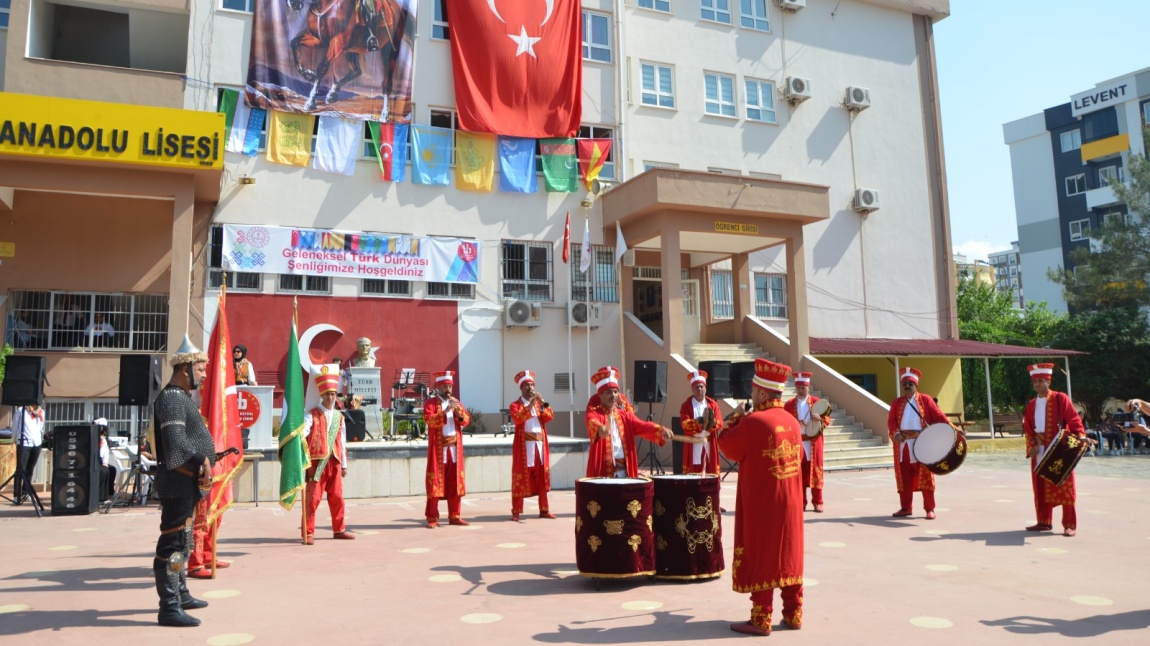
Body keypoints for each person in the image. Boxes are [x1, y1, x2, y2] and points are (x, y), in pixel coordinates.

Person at [718, 358, 804, 636]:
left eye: (754, 391)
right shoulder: (791, 421)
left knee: (763, 553)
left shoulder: (754, 421)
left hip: (765, 502)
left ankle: (761, 618)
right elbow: (800, 457)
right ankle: (793, 613)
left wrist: (736, 417)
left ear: (763, 393)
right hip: (790, 501)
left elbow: (725, 443)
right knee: (789, 552)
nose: (752, 395)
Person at [151, 335, 215, 627]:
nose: (203, 375)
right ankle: (169, 606)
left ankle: (181, 592)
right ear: (186, 369)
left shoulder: (181, 398)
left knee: (184, 542)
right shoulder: (172, 398)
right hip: (177, 484)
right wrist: (202, 458)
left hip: (186, 484)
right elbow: (175, 442)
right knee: (172, 544)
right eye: (200, 370)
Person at [1023, 363, 1088, 537]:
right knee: (1040, 486)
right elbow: (1029, 429)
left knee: (1065, 486)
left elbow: (1074, 420)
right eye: (1035, 382)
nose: (1037, 385)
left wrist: (1080, 435)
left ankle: (1069, 524)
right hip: (1040, 449)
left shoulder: (1060, 398)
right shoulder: (1031, 405)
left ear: (1048, 381)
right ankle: (1043, 522)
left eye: (1040, 381)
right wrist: (1031, 447)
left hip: (1060, 449)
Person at [584, 366, 674, 478]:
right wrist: (599, 428)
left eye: (616, 392)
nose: (613, 395)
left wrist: (660, 430)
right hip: (604, 470)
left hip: (625, 471)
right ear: (600, 395)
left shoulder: (625, 416)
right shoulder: (595, 413)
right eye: (608, 392)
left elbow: (643, 426)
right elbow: (591, 420)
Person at [887, 367, 950, 519]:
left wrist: (952, 430)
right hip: (903, 446)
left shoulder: (926, 400)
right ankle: (906, 508)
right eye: (905, 384)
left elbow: (939, 416)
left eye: (910, 384)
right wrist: (895, 433)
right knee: (904, 477)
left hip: (922, 443)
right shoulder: (896, 403)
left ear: (916, 386)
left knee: (926, 477)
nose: (907, 386)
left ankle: (930, 509)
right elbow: (891, 421)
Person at [302, 367, 355, 544]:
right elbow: (304, 433)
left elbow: (343, 440)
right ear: (321, 395)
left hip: (335, 461)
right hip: (317, 463)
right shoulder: (312, 415)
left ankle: (339, 529)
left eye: (333, 394)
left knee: (338, 497)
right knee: (313, 499)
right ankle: (308, 532)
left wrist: (344, 464)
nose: (330, 398)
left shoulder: (340, 417)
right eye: (327, 394)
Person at [423, 370, 470, 528]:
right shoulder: (430, 403)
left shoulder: (457, 402)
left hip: (454, 448)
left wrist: (458, 411)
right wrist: (445, 411)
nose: (448, 390)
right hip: (439, 448)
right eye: (445, 386)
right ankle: (432, 517)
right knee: (435, 481)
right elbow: (430, 421)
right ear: (439, 387)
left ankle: (455, 515)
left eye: (450, 386)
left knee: (454, 482)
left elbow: (466, 421)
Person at [508, 370, 556, 521]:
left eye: (532, 384)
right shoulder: (515, 405)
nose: (530, 387)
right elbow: (518, 419)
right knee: (520, 476)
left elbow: (549, 417)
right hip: (524, 446)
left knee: (541, 476)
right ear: (521, 388)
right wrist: (530, 405)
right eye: (527, 385)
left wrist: (542, 405)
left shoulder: (538, 405)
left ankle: (544, 509)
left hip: (539, 445)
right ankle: (516, 511)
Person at [785, 372, 832, 513]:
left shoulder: (817, 402)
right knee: (798, 473)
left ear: (808, 386)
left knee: (815, 472)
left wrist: (820, 420)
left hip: (813, 443)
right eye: (798, 387)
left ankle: (818, 502)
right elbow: (784, 422)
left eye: (803, 387)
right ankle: (801, 502)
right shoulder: (789, 405)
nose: (801, 390)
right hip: (797, 443)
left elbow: (828, 420)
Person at [678, 370, 722, 476]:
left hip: (708, 442)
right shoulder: (686, 405)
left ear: (705, 388)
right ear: (692, 389)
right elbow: (684, 424)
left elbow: (720, 422)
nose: (699, 389)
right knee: (694, 473)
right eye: (696, 387)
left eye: (701, 387)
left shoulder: (713, 404)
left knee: (710, 472)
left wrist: (711, 422)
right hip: (694, 443)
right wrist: (696, 422)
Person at [15, 404, 45, 503]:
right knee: (21, 469)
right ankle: (16, 494)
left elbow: (41, 427)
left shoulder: (41, 412)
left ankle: (26, 491)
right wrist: (15, 439)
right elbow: (15, 424)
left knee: (30, 469)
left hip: (36, 443)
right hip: (24, 442)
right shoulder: (21, 410)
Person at [95, 418, 118, 503]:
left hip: (101, 461)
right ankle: (100, 497)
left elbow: (105, 451)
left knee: (112, 469)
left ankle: (109, 493)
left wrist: (105, 462)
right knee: (103, 471)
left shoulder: (104, 439)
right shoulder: (94, 438)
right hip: (95, 460)